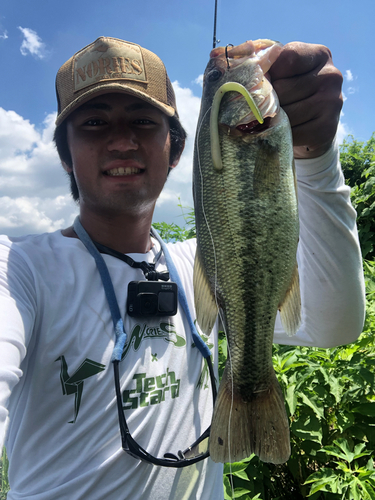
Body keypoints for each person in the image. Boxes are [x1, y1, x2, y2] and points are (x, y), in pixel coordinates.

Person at [0, 36, 365, 500]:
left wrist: (316, 157)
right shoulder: (18, 270)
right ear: (66, 156)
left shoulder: (199, 262)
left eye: (142, 121)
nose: (121, 140)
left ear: (175, 150)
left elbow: (334, 325)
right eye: (93, 123)